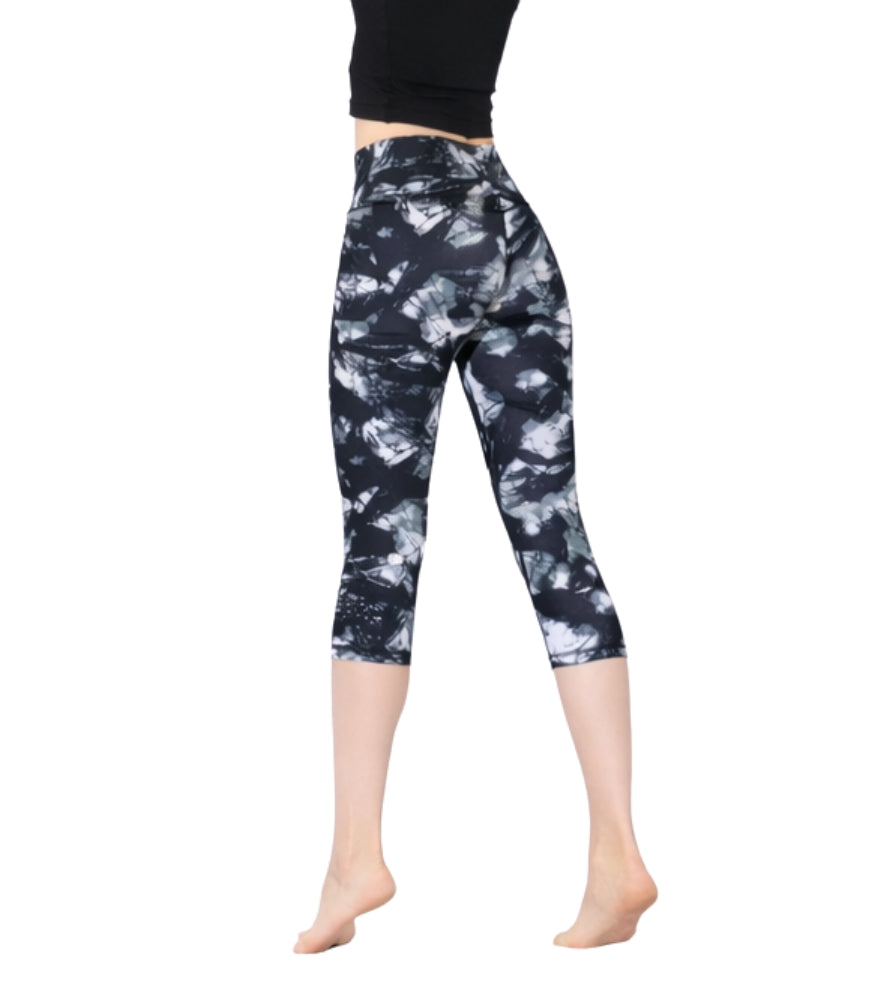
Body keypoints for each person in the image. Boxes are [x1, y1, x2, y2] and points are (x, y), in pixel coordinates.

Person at [294, 0, 657, 952]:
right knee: (556, 536)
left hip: (401, 222)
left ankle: (355, 856)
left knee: (381, 550)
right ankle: (617, 850)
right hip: (508, 222)